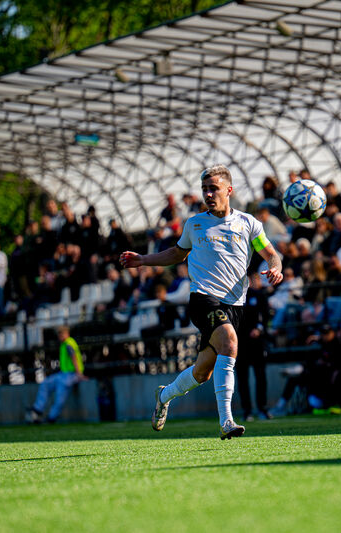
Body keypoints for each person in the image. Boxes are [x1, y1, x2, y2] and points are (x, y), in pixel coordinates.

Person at [120, 164, 283, 439]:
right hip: (203, 299)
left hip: (235, 305)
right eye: (204, 189)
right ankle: (227, 421)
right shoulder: (195, 224)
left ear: (229, 190)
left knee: (202, 372)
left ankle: (165, 395)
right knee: (229, 342)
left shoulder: (248, 223)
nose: (208, 194)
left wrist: (275, 267)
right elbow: (177, 254)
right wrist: (143, 260)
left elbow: (270, 253)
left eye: (213, 188)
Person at [26, 326, 86, 423]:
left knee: (60, 397)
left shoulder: (69, 343)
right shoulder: (64, 344)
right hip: (63, 374)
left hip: (71, 375)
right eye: (59, 334)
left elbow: (74, 357)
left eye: (61, 334)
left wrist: (79, 374)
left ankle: (51, 417)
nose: (60, 336)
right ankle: (38, 409)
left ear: (67, 333)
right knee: (45, 383)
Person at [236, 272, 272, 422]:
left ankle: (262, 408)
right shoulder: (232, 298)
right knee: (242, 378)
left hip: (257, 342)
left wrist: (259, 329)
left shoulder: (258, 295)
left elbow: (266, 315)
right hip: (240, 343)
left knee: (260, 376)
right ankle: (247, 411)